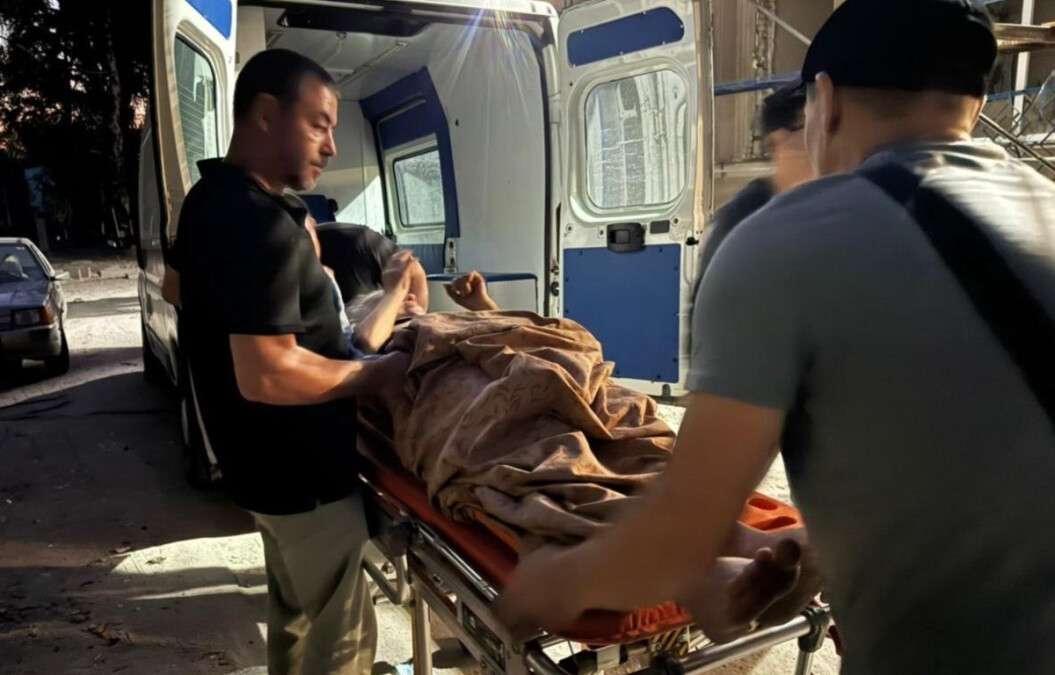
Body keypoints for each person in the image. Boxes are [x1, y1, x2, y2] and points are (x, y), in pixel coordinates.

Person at [496, 1, 1055, 673]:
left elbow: (677, 539)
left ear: (824, 100)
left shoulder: (793, 239)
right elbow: (986, 444)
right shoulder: (1043, 208)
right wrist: (832, 546)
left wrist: (548, 586)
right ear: (975, 101)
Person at [167, 49, 408, 675]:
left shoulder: (209, 199)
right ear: (267, 114)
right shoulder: (259, 224)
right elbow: (269, 373)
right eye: (319, 124)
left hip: (259, 471)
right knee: (339, 647)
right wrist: (379, 375)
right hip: (304, 478)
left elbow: (177, 290)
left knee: (296, 620)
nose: (331, 145)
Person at [697, 81, 813, 275]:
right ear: (778, 141)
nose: (824, 139)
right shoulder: (741, 220)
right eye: (809, 129)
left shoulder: (816, 206)